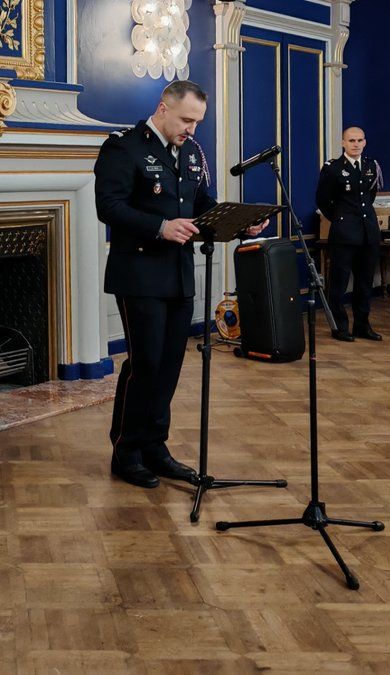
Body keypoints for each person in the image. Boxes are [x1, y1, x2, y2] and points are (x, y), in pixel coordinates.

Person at [93, 80, 264, 490]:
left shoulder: (189, 152)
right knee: (145, 364)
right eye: (187, 120)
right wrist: (159, 227)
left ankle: (156, 447)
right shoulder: (123, 147)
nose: (192, 129)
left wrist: (242, 224)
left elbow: (200, 203)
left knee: (169, 367)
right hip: (139, 275)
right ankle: (126, 452)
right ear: (163, 108)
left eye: (197, 122)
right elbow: (108, 207)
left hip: (179, 274)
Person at [316, 126, 384, 342]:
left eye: (360, 140)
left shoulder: (370, 166)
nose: (356, 144)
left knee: (365, 283)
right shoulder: (333, 168)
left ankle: (362, 325)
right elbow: (323, 200)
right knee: (339, 282)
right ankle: (340, 327)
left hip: (368, 233)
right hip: (344, 234)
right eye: (351, 140)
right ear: (343, 143)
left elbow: (370, 196)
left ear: (365, 142)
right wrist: (340, 218)